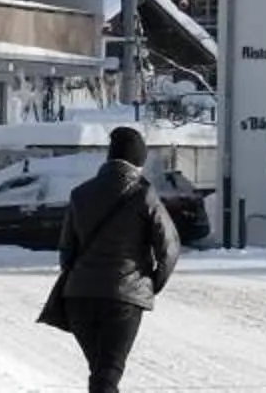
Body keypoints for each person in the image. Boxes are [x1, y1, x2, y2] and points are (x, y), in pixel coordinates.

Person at [58, 126, 182, 393]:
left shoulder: (80, 194)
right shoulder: (144, 195)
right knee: (107, 376)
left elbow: (66, 251)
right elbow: (169, 248)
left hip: (79, 297)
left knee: (101, 374)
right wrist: (152, 283)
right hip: (124, 298)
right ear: (139, 160)